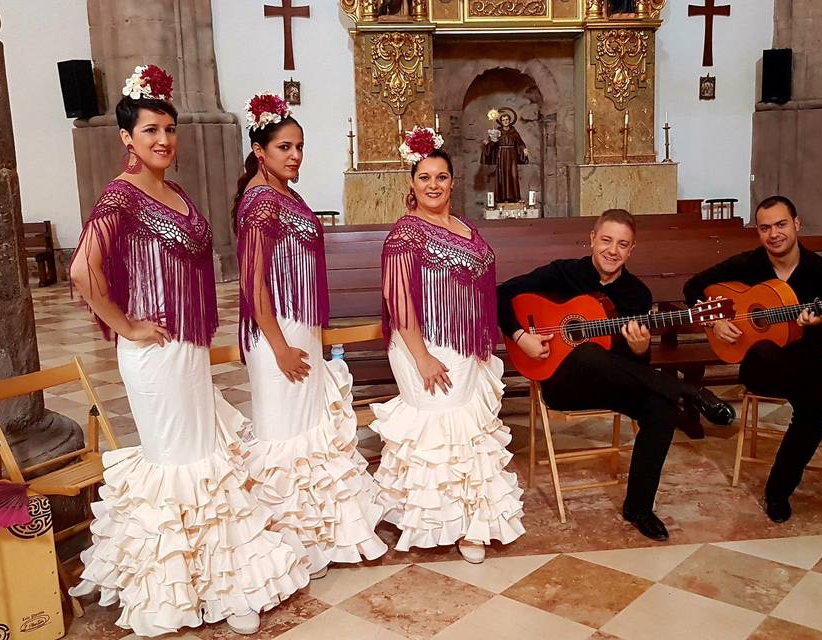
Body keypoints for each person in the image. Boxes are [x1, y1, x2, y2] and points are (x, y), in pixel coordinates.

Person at [68, 66, 305, 637]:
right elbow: (83, 270)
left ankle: (225, 583)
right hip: (153, 356)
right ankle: (175, 591)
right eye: (150, 130)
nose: (163, 140)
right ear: (127, 137)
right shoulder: (119, 195)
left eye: (169, 129)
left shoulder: (173, 191)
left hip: (188, 348)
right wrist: (126, 325)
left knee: (203, 458)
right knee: (176, 463)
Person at [497, 209, 736, 542]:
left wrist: (640, 349)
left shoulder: (637, 295)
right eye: (606, 240)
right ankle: (687, 391)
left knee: (661, 408)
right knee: (587, 352)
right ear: (592, 239)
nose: (613, 250)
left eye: (622, 244)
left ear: (631, 250)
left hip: (612, 382)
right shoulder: (563, 273)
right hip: (562, 383)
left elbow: (635, 366)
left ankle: (638, 507)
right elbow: (500, 294)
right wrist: (522, 336)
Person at [233, 92, 386, 577]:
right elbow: (252, 281)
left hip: (301, 327)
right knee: (283, 437)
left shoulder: (289, 196)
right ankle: (288, 543)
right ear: (261, 150)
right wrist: (279, 347)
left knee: (310, 432)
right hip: (274, 334)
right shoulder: (259, 203)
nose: (295, 154)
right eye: (284, 147)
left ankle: (318, 537)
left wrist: (306, 339)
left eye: (299, 146)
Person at [371, 128, 524, 563]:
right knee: (441, 428)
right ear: (412, 183)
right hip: (423, 343)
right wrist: (422, 357)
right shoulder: (405, 233)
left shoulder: (463, 226)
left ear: (452, 181)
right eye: (424, 177)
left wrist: (479, 340)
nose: (433, 185)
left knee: (468, 432)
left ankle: (472, 524)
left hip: (464, 344)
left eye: (441, 177)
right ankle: (435, 519)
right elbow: (398, 299)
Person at [684, 195, 822, 523]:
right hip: (760, 367)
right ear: (758, 233)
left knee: (811, 414)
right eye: (765, 228)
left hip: (807, 363)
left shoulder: (821, 272)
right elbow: (694, 287)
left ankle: (777, 493)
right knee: (764, 350)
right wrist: (715, 321)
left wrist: (815, 325)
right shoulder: (748, 265)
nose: (774, 233)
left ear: (796, 224)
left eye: (781, 224)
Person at [481, 108, 528, 203]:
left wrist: (524, 149)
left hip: (512, 155)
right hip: (501, 155)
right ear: (501, 122)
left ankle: (516, 198)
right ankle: (503, 198)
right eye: (503, 120)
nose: (505, 121)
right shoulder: (497, 131)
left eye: (507, 120)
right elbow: (492, 144)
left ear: (509, 120)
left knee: (513, 175)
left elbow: (520, 143)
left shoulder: (513, 132)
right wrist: (488, 143)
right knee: (502, 176)